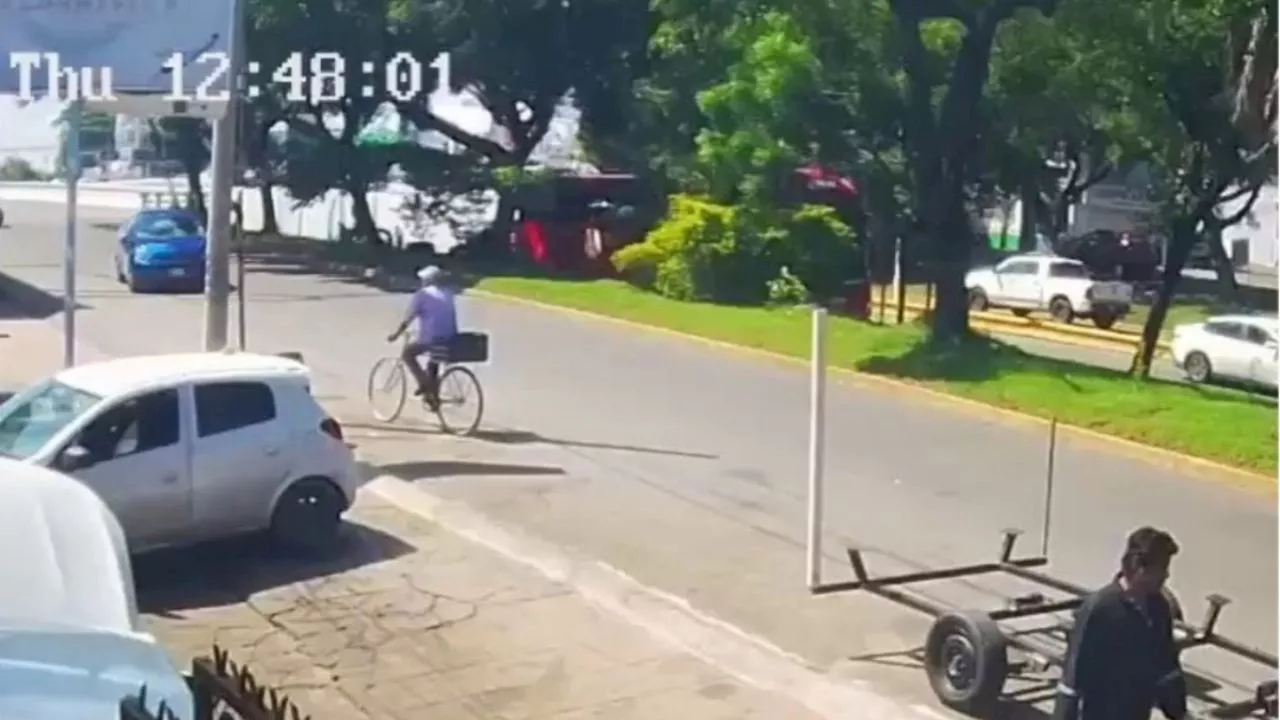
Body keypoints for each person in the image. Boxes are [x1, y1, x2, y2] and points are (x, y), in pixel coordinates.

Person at [1054, 527, 1188, 720]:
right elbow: (1072, 681)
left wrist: (1179, 714)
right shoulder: (1100, 609)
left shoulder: (1158, 609)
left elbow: (1166, 670)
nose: (1167, 575)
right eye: (1162, 567)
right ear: (1138, 566)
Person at [387, 266, 458, 409]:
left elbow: (408, 318)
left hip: (431, 338)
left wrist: (396, 335)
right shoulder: (448, 293)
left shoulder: (423, 295)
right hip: (449, 338)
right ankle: (433, 397)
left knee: (408, 353)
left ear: (426, 280)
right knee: (434, 360)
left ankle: (424, 383)